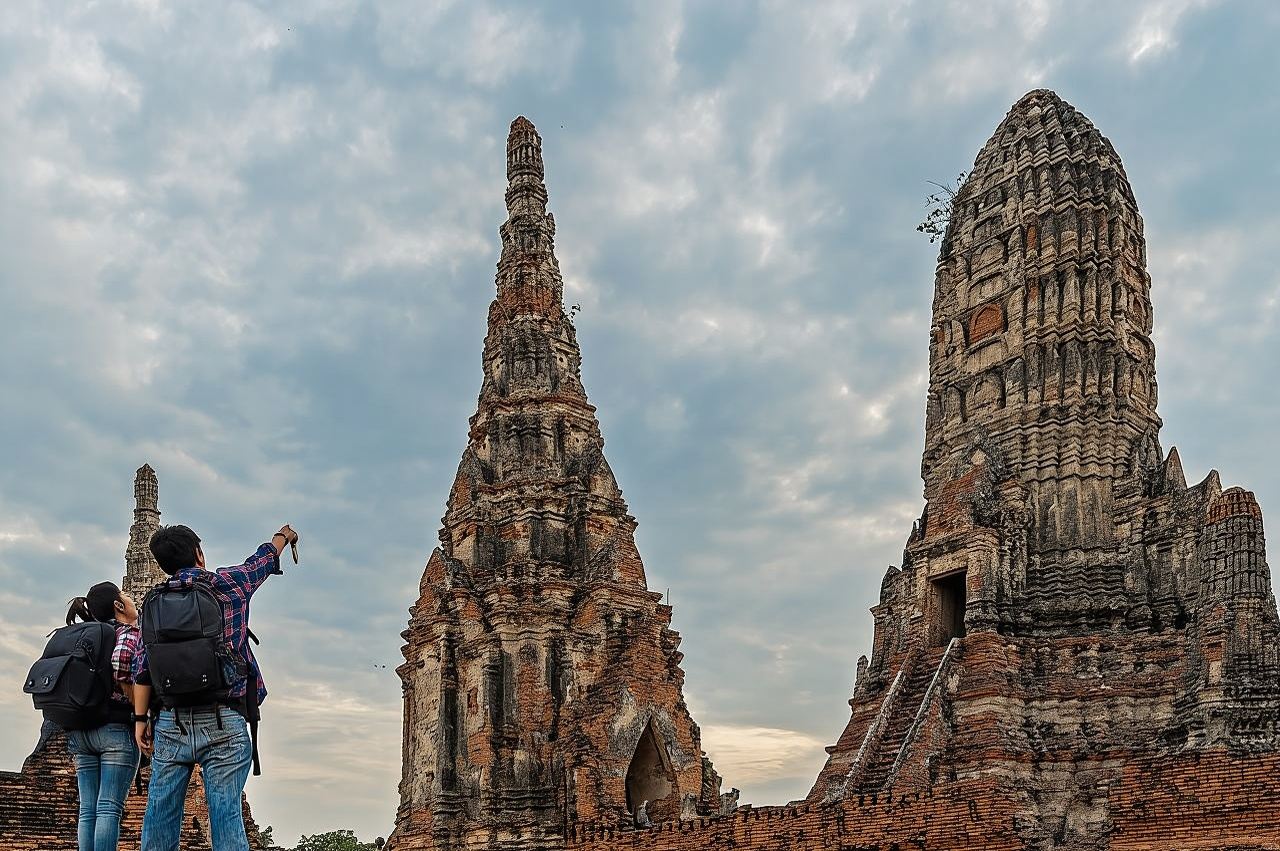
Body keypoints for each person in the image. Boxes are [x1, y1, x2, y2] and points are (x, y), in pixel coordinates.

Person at [132, 523, 299, 851]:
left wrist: (140, 721)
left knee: (160, 814)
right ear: (199, 553)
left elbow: (143, 668)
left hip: (171, 721)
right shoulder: (225, 584)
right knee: (225, 814)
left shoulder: (152, 603)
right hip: (225, 716)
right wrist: (284, 536)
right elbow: (262, 560)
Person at [65, 582, 143, 851]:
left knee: (88, 810)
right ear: (119, 606)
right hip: (115, 731)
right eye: (127, 596)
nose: (132, 600)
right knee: (109, 808)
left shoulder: (84, 634)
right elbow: (122, 665)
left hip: (81, 730)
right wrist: (140, 711)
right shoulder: (127, 632)